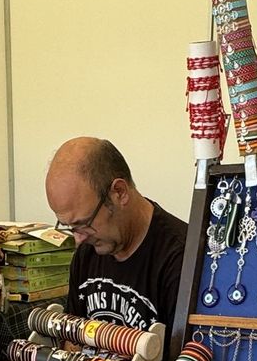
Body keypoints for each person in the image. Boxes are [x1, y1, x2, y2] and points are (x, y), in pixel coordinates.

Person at [45, 137, 185, 333]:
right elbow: (72, 342)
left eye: (83, 223)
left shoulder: (181, 259)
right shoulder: (87, 251)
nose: (78, 240)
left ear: (119, 192)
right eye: (69, 226)